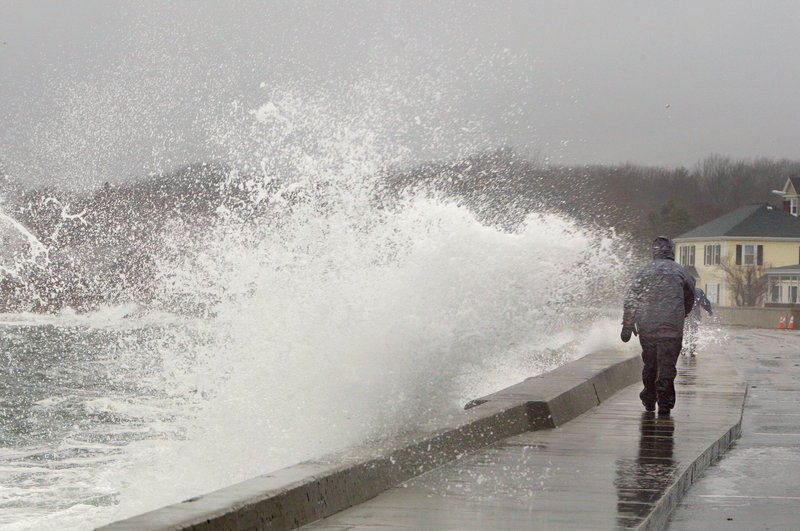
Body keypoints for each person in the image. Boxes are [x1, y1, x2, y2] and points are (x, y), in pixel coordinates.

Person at [621, 236, 695, 416]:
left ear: (654, 251)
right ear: (671, 251)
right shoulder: (681, 272)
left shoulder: (643, 271)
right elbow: (690, 297)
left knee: (650, 363)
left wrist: (628, 323)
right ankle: (665, 403)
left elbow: (632, 298)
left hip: (647, 326)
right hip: (672, 329)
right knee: (667, 366)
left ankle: (649, 398)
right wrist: (682, 313)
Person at [682, 287, 713, 357]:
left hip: (684, 315)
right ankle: (692, 349)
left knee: (685, 331)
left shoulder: (682, 290)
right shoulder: (698, 291)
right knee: (693, 332)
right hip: (695, 315)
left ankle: (684, 348)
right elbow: (704, 302)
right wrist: (709, 310)